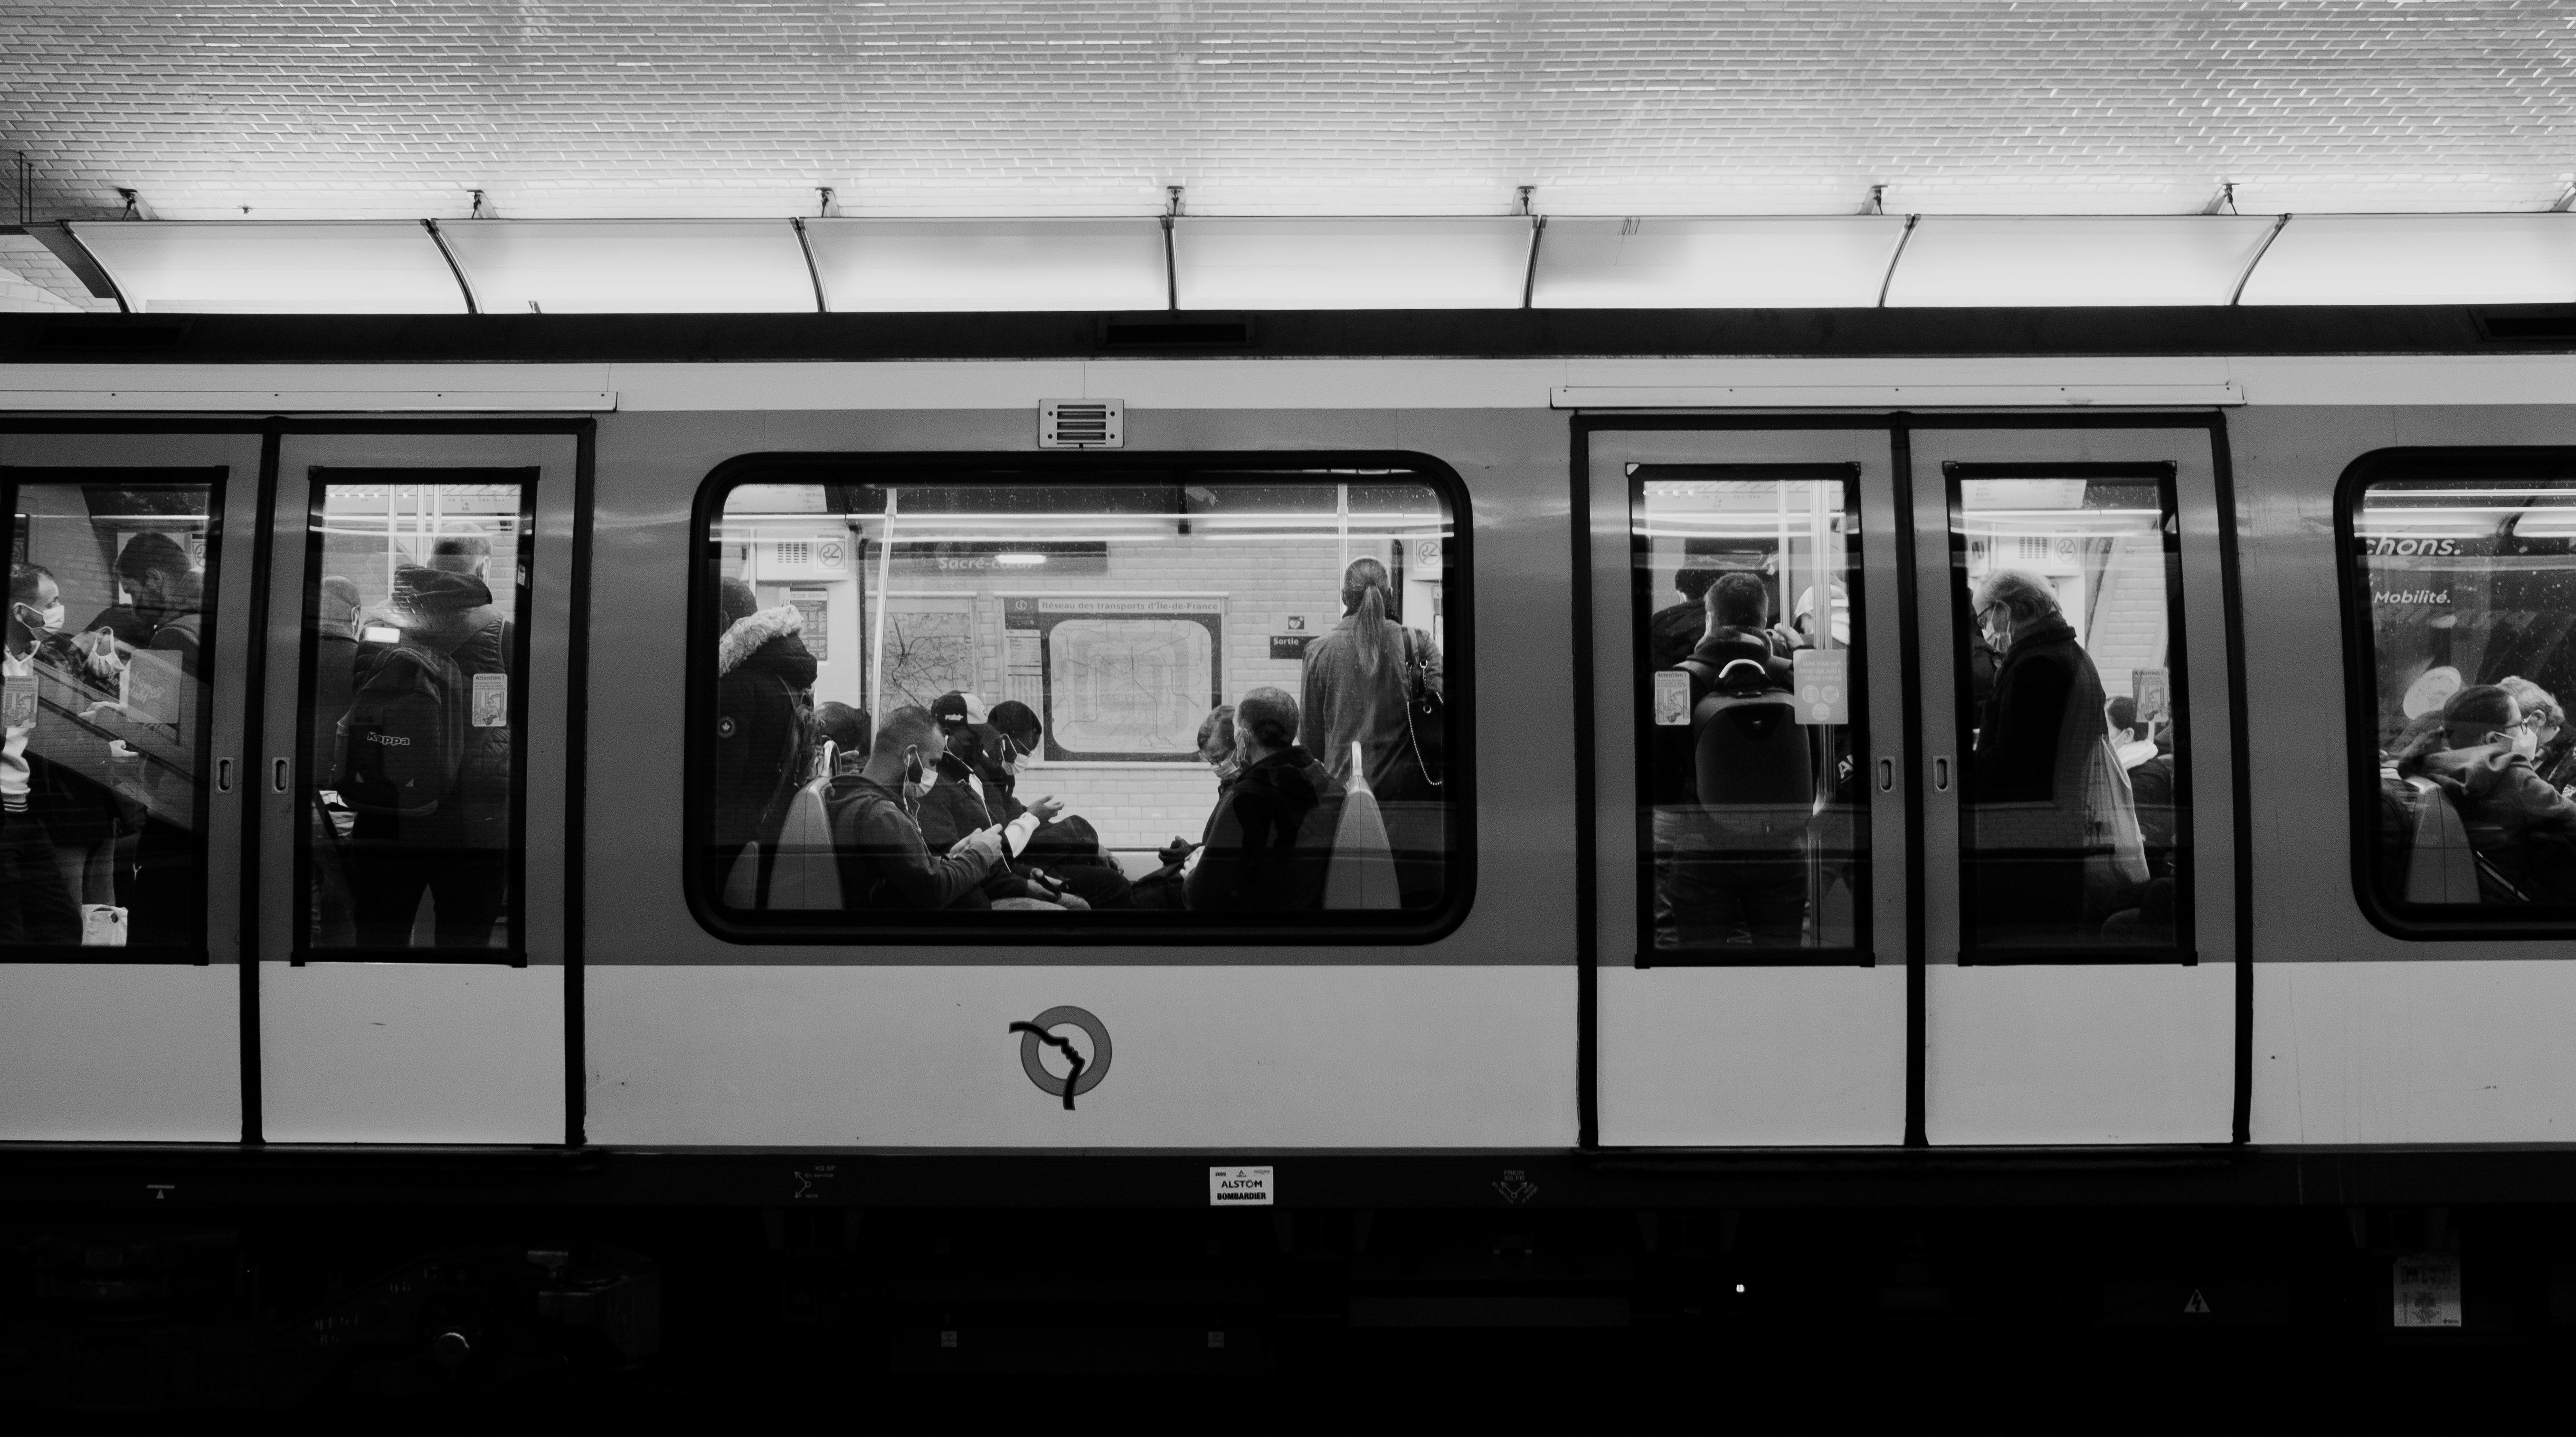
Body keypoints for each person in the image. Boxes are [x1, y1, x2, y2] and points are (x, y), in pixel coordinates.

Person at [337, 530, 516, 948]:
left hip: (386, 812)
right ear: (484, 569)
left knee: (380, 944)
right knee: (464, 951)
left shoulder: (378, 627)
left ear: (430, 566)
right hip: (475, 825)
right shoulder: (505, 632)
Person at [1655, 571, 1807, 947]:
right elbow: (1830, 731)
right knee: (1781, 968)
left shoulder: (1675, 682)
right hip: (1781, 851)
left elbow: (1661, 775)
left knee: (1701, 971)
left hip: (1701, 851)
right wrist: (1803, 653)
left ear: (1710, 619)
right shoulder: (1794, 678)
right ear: (1763, 621)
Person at [1967, 569, 2112, 944]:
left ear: (2005, 609)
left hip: (2026, 849)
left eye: (1985, 619)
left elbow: (2014, 769)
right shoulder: (2070, 655)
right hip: (2057, 838)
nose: (1986, 631)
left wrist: (1956, 765)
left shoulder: (2035, 666)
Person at [823, 704, 1069, 910]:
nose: (934, 771)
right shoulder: (880, 816)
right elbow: (932, 891)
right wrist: (981, 853)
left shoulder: (867, 803)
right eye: (933, 762)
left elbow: (911, 874)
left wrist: (952, 857)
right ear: (910, 756)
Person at [1300, 557, 1444, 904]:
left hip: (1342, 801)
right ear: (1390, 594)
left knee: (1350, 900)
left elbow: (1310, 742)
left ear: (1344, 597)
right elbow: (1442, 713)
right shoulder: (1418, 643)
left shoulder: (1318, 651)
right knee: (1414, 903)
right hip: (1408, 804)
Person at [2400, 684, 2576, 902]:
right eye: (2521, 724)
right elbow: (2571, 818)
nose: (2526, 731)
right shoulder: (2510, 775)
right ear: (2493, 740)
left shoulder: (2429, 765)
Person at [1, 563, 100, 945]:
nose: (60, 608)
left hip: (23, 814)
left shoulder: (24, 660)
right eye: (52, 601)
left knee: (60, 928)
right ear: (22, 613)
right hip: (5, 818)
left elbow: (16, 730)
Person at [710, 577, 817, 906]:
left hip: (734, 840)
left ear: (725, 622)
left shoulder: (737, 686)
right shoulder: (789, 680)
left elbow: (723, 782)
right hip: (772, 826)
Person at [1187, 688, 1342, 912]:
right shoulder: (1327, 785)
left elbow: (1198, 898)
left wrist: (1193, 870)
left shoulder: (1248, 799)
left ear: (1243, 738)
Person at [1131, 704, 1238, 910]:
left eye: (1219, 758)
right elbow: (1224, 845)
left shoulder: (1245, 796)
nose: (1216, 767)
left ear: (1240, 746)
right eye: (1210, 761)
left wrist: (1194, 855)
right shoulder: (1229, 787)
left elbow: (1230, 861)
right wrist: (1192, 851)